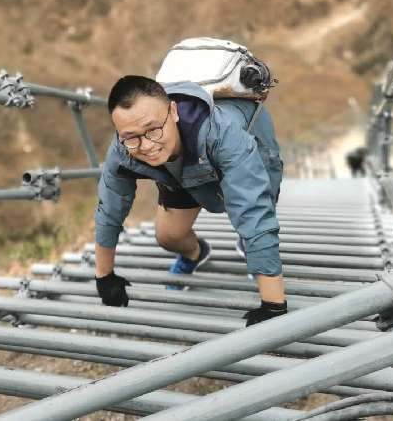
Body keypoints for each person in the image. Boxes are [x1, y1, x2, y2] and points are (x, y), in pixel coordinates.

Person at [93, 75, 286, 326]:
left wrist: (273, 304)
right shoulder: (124, 147)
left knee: (252, 227)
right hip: (182, 169)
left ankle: (250, 249)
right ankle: (196, 254)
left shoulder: (222, 132)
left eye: (153, 129)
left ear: (173, 111)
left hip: (248, 150)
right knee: (168, 236)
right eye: (131, 137)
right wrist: (104, 276)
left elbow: (253, 212)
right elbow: (109, 208)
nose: (146, 145)